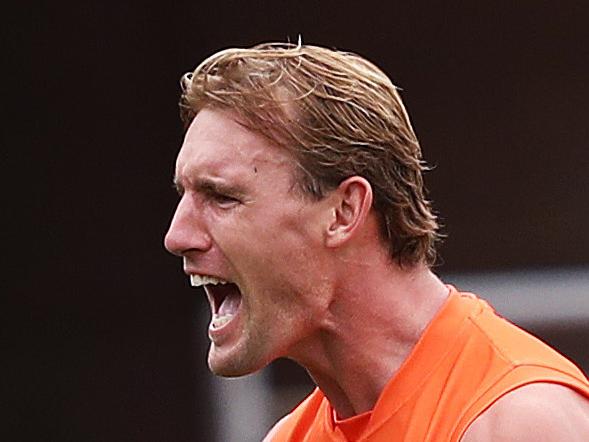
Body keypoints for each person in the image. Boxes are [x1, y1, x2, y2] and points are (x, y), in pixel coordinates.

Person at [164, 42, 589, 441]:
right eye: (184, 197)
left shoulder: (519, 421)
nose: (176, 237)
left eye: (221, 196)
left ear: (344, 211)